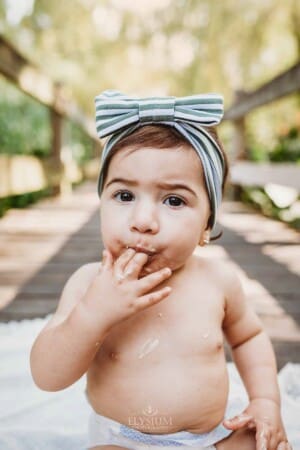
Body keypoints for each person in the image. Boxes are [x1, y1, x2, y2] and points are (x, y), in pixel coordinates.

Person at [30, 90, 291, 450]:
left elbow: (248, 338)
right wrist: (93, 314)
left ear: (206, 224)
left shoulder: (218, 282)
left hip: (210, 436)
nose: (143, 221)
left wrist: (265, 401)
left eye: (174, 200)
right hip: (123, 439)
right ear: (101, 201)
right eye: (124, 196)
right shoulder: (89, 284)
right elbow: (47, 377)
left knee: (265, 443)